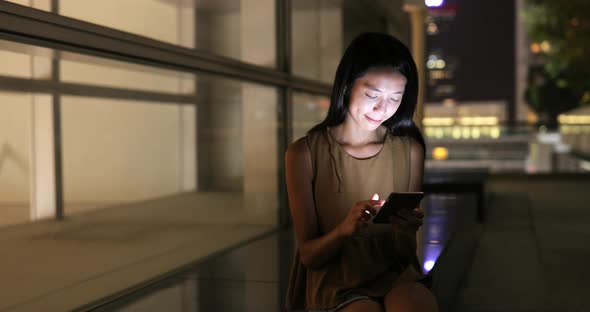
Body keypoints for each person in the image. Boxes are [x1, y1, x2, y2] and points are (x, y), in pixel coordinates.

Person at [284, 32, 439, 312]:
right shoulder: (305, 153)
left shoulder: (409, 150)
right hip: (336, 278)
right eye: (372, 95)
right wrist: (344, 230)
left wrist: (405, 232)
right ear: (346, 86)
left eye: (395, 98)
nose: (383, 109)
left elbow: (405, 254)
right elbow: (309, 255)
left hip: (394, 273)